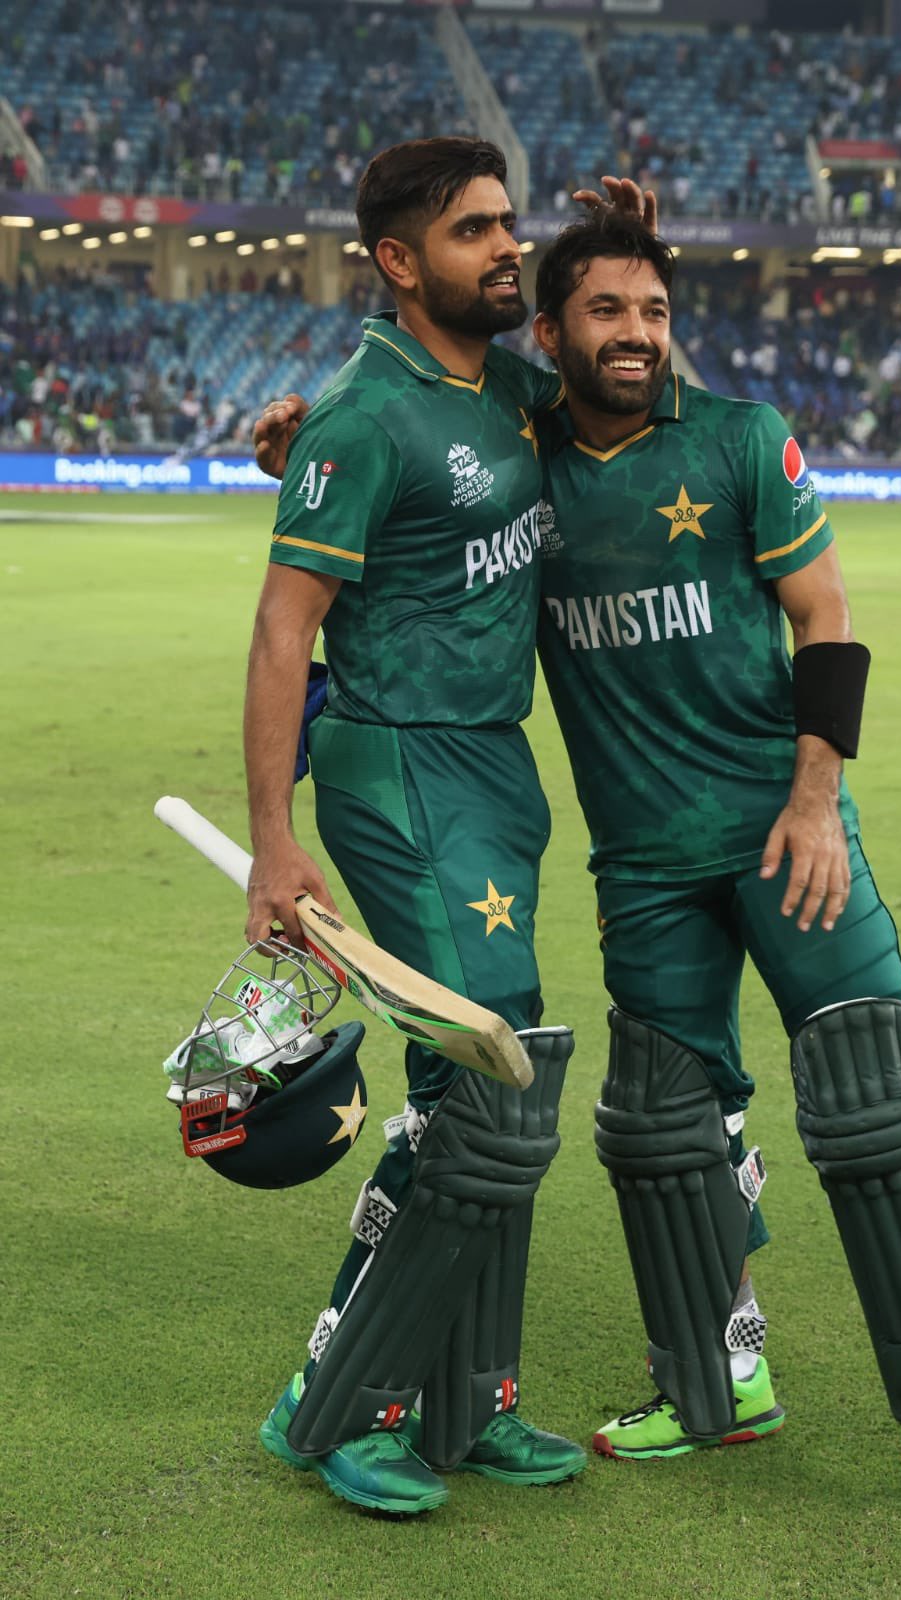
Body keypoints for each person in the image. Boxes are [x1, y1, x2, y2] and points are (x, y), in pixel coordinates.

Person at [523, 213, 901, 1487]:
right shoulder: (522, 460)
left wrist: (814, 800)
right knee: (661, 1132)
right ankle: (718, 1378)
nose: (637, 334)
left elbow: (827, 622)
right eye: (607, 311)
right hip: (643, 864)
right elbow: (424, 419)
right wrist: (303, 438)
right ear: (550, 332)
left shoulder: (740, 439)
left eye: (654, 311)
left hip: (782, 829)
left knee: (874, 1095)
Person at [243, 137, 591, 1517]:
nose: (506, 247)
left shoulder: (509, 388)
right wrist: (273, 842)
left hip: (493, 765)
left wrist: (627, 256)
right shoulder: (360, 415)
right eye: (472, 231)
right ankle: (334, 1403)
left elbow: (625, 387)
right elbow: (284, 632)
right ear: (398, 261)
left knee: (493, 1080)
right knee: (488, 1077)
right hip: (395, 763)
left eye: (509, 223)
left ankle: (471, 1400)